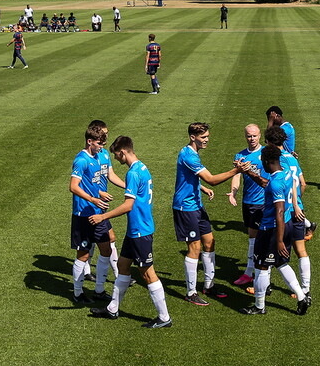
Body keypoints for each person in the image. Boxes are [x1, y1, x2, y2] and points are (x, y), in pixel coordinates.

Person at [87, 136, 172, 328]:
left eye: (116, 155)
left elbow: (128, 205)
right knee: (123, 266)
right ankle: (112, 309)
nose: (116, 159)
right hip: (135, 230)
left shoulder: (133, 173)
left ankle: (164, 317)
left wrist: (103, 217)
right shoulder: (143, 168)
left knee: (148, 274)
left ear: (123, 152)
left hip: (140, 231)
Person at [239, 144, 310, 316]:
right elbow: (267, 184)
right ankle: (302, 297)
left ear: (267, 161)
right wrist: (249, 173)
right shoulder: (285, 173)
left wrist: (278, 241)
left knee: (261, 266)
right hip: (287, 225)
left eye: (262, 161)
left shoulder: (276, 183)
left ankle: (259, 306)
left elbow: (278, 211)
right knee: (280, 263)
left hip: (271, 229)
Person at [174, 122, 238, 306]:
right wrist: (236, 170)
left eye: (207, 136)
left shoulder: (192, 154)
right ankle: (191, 292)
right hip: (186, 208)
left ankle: (209, 286)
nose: (207, 140)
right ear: (193, 137)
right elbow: (211, 179)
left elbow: (187, 177)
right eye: (203, 137)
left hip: (196, 205)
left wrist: (202, 188)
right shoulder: (189, 156)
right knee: (194, 248)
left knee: (209, 242)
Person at [69, 125, 116, 304]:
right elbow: (73, 186)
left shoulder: (99, 156)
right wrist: (93, 198)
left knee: (106, 248)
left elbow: (96, 181)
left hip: (99, 214)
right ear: (90, 142)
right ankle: (77, 293)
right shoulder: (81, 160)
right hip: (83, 215)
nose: (101, 147)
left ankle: (99, 290)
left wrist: (100, 194)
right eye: (98, 144)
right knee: (84, 254)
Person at [228, 124, 266, 287]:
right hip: (248, 202)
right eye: (249, 136)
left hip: (263, 203)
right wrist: (233, 192)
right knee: (252, 238)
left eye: (254, 136)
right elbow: (237, 176)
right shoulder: (241, 155)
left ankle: (258, 273)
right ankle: (251, 272)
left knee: (262, 239)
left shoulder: (266, 153)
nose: (252, 139)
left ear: (260, 136)